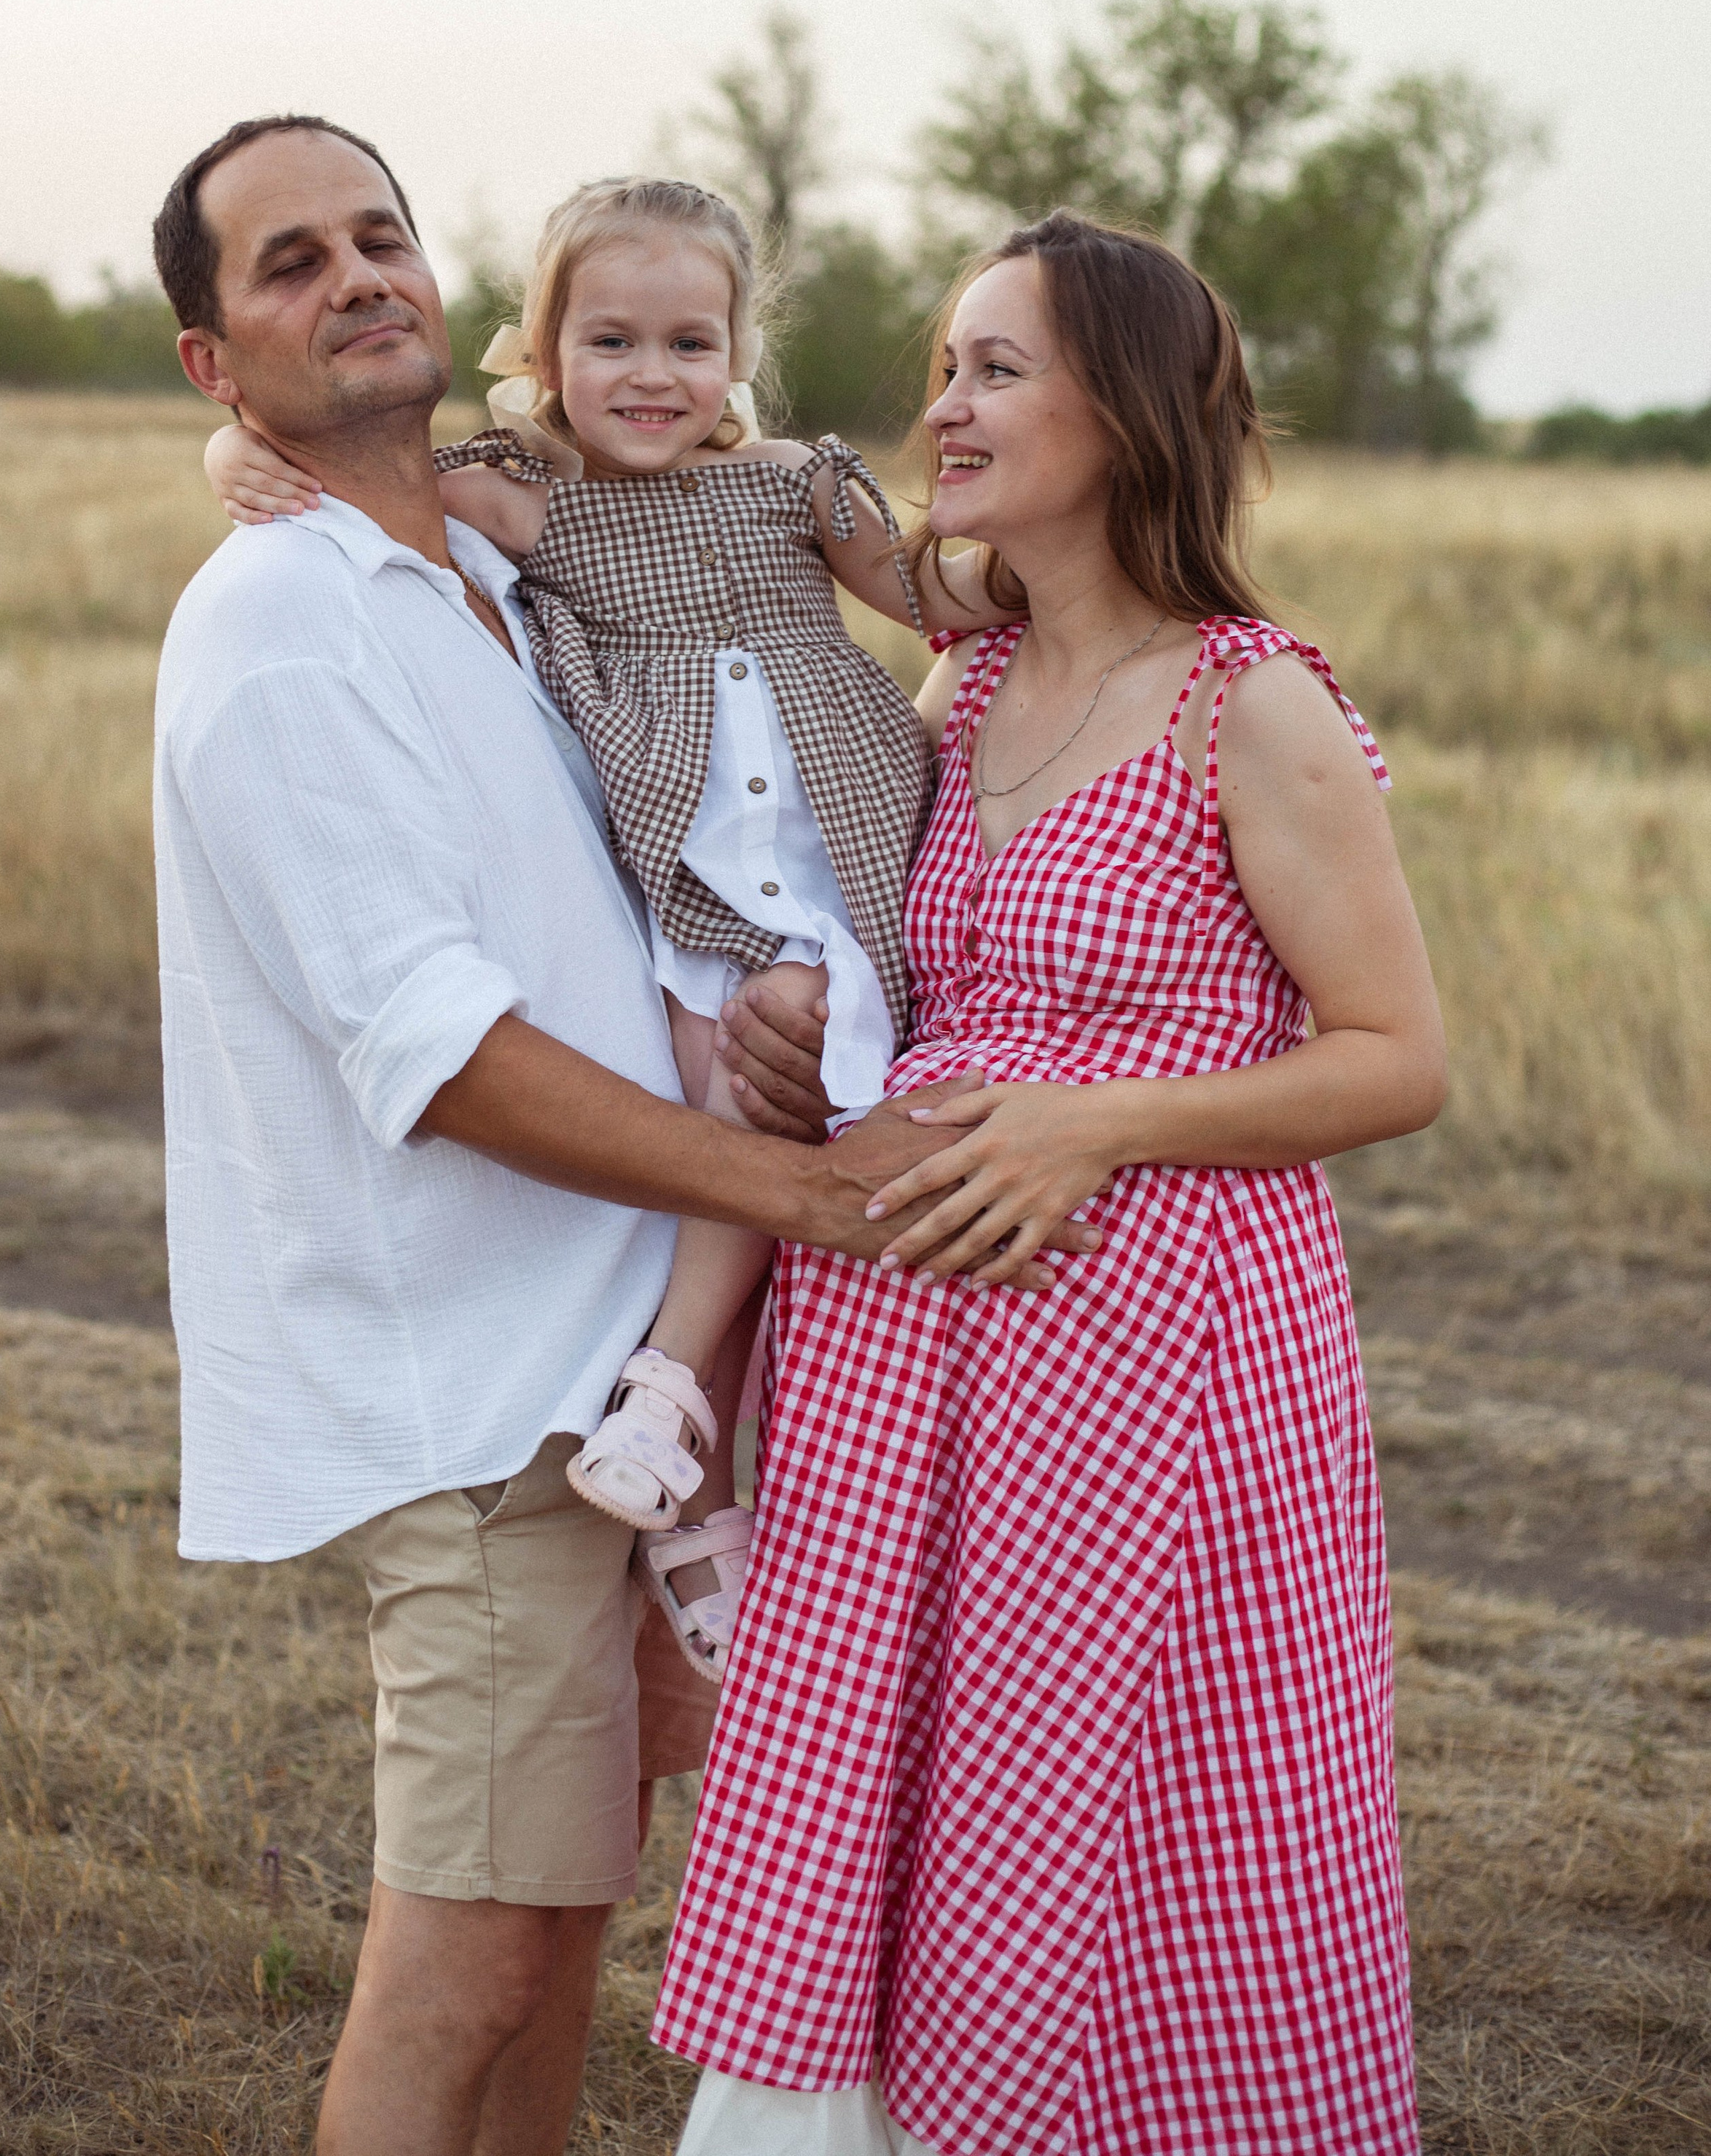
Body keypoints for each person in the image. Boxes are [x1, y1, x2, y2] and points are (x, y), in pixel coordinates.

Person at [149, 117, 1057, 2156]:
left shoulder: (472, 563)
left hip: (590, 1370)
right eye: (288, 265)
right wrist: (807, 1189)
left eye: (379, 235)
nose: (354, 273)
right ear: (219, 361)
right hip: (482, 1410)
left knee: (554, 1939)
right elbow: (443, 1053)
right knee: (465, 1959)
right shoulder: (287, 624)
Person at [656, 213, 1446, 2156]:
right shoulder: (961, 690)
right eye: (947, 363)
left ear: (1132, 407)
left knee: (1134, 1816)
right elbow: (934, 994)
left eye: (996, 368)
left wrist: (1095, 1125)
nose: (945, 403)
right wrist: (804, 1037)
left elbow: (1393, 1058)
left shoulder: (1240, 702)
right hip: (900, 1383)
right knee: (909, 1791)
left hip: (1153, 1378)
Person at [206, 176, 1006, 1682]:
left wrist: (1042, 527)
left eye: (691, 344)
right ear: (544, 347)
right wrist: (228, 446)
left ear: (737, 352)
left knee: (836, 1147)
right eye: (614, 343)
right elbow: (347, 465)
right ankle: (669, 1430)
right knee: (727, 1116)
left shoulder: (794, 483)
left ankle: (808, 1477)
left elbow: (933, 594)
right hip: (699, 884)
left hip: (843, 856)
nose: (653, 379)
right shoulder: (525, 489)